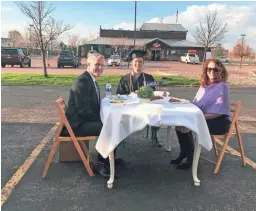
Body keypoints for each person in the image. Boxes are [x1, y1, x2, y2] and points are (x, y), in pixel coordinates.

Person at [61, 53, 122, 177]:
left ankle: (109, 158)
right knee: (112, 128)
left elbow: (92, 105)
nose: (100, 68)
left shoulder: (91, 79)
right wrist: (104, 119)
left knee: (116, 125)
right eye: (97, 64)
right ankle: (101, 162)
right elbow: (84, 111)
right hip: (78, 125)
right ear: (88, 65)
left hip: (82, 120)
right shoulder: (82, 82)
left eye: (102, 65)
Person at [171, 59, 231, 170]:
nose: (212, 71)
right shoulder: (204, 86)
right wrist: (180, 101)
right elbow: (196, 104)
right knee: (179, 123)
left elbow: (218, 112)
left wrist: (198, 117)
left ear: (221, 71)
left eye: (215, 69)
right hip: (204, 118)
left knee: (185, 124)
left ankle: (191, 158)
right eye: (209, 69)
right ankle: (184, 152)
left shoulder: (223, 87)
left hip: (218, 121)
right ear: (206, 70)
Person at [116, 50, 163, 147]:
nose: (138, 64)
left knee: (157, 112)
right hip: (129, 109)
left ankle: (154, 136)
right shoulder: (124, 79)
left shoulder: (150, 78)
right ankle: (120, 137)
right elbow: (119, 95)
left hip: (146, 108)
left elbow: (153, 93)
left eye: (140, 62)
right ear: (131, 64)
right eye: (135, 62)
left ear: (143, 63)